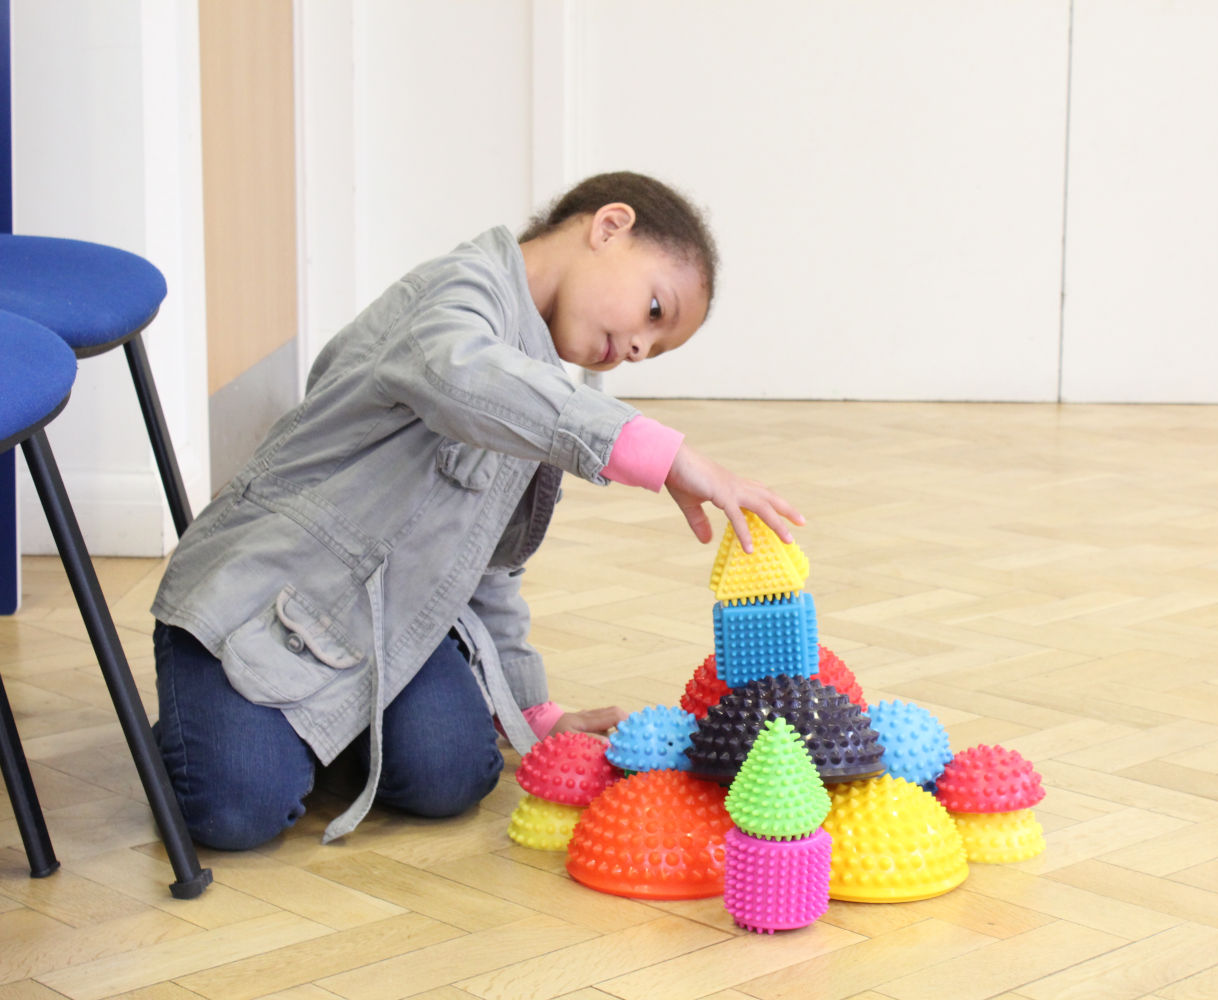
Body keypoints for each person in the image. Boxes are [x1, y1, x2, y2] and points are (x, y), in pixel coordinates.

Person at [150, 172, 802, 850]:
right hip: (265, 594)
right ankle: (213, 707)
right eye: (655, 312)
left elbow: (489, 568)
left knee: (452, 777)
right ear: (609, 227)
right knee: (235, 811)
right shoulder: (458, 293)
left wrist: (534, 712)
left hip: (384, 621)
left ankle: (311, 728)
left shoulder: (541, 384)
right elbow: (458, 372)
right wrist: (660, 453)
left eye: (656, 348)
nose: (639, 348)